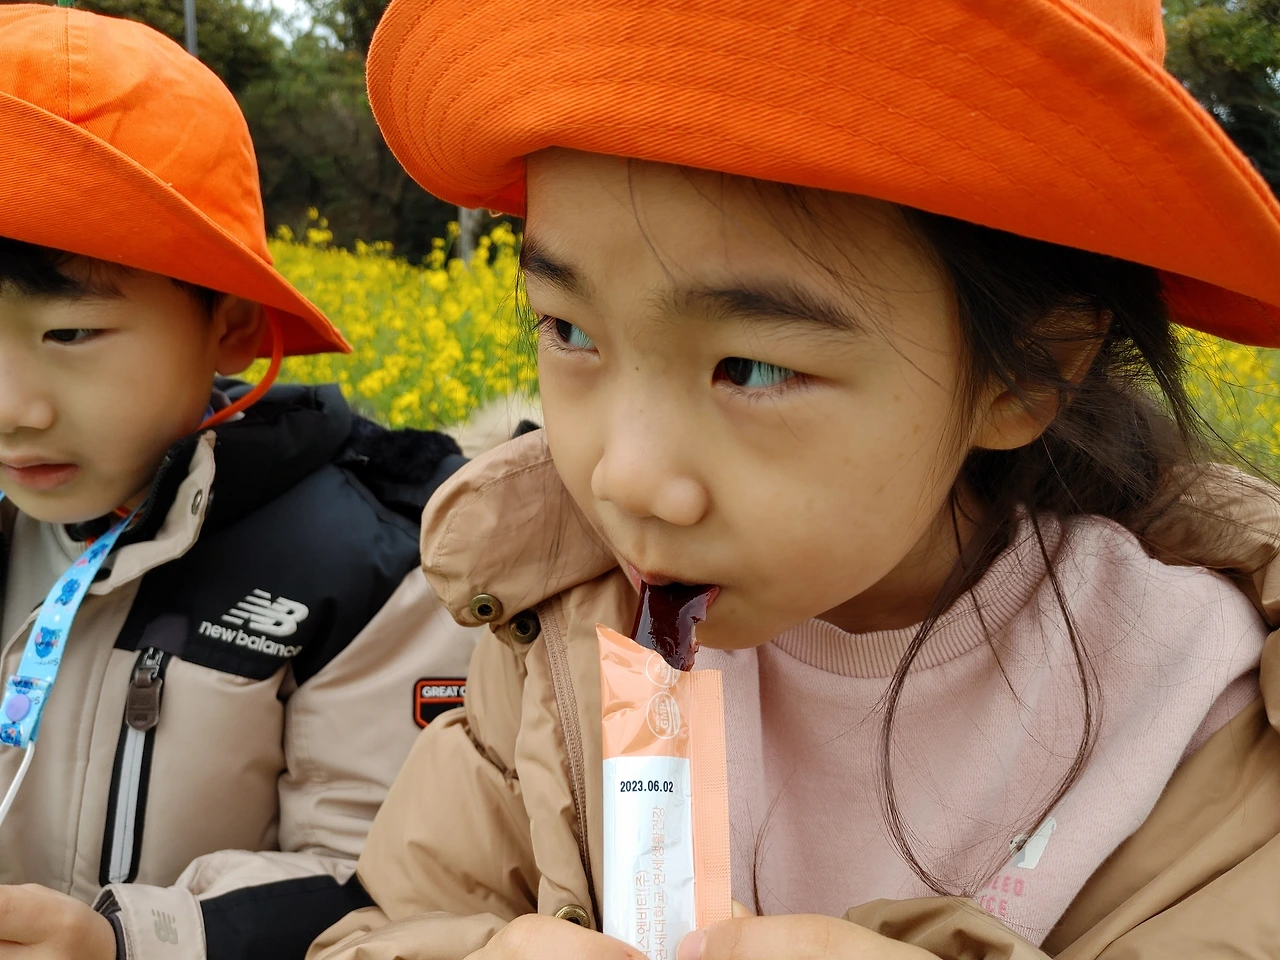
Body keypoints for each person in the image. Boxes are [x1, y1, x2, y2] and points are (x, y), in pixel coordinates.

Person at [311, 0, 1280, 958]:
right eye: (568, 329)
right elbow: (386, 927)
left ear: (1027, 372)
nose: (624, 479)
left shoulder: (1193, 715)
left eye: (751, 368)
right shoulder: (555, 625)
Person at [0, 6, 477, 959]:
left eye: (70, 334)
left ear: (232, 325)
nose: (14, 408)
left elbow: (387, 884)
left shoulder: (373, 567)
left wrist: (125, 944)